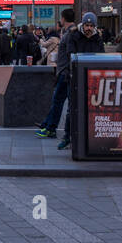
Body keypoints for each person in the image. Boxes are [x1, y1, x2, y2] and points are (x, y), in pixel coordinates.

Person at [58, 13, 106, 150]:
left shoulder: (97, 38)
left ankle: (88, 137)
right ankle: (67, 136)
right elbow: (71, 55)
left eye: (91, 26)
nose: (89, 28)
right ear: (83, 25)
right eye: (87, 25)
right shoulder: (73, 36)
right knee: (71, 108)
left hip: (91, 78)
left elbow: (101, 56)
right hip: (74, 77)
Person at [36, 10, 78, 140]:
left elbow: (70, 54)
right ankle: (47, 124)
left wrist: (66, 70)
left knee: (58, 101)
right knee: (57, 100)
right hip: (64, 71)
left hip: (66, 73)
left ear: (63, 18)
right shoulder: (67, 32)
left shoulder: (70, 33)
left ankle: (50, 128)